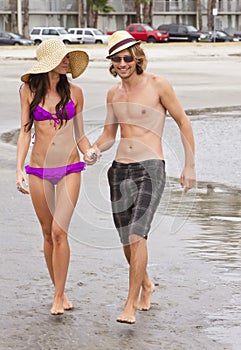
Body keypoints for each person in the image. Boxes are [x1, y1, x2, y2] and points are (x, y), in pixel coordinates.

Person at [92, 31, 196, 324]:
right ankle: (147, 283)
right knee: (127, 239)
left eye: (127, 57)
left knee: (138, 234)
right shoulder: (114, 93)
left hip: (151, 168)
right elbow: (108, 135)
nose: (122, 63)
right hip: (119, 169)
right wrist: (94, 150)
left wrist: (189, 166)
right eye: (117, 58)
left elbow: (183, 122)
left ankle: (130, 304)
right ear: (111, 62)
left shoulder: (158, 85)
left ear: (137, 57)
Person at [16, 38, 98, 315]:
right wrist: (19, 169)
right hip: (38, 170)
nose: (68, 62)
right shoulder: (28, 91)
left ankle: (59, 295)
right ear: (49, 63)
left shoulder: (75, 92)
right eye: (64, 58)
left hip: (69, 169)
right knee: (47, 234)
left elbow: (80, 134)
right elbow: (25, 132)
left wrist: (91, 151)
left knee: (60, 231)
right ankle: (59, 290)